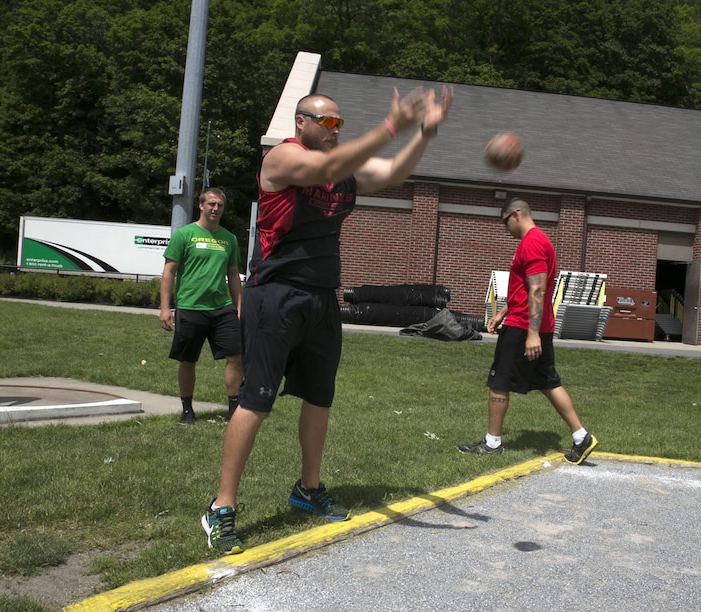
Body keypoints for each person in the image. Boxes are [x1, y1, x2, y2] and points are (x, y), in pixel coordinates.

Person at [201, 86, 453, 554]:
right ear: (301, 123)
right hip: (274, 294)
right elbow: (324, 168)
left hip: (320, 297)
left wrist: (424, 132)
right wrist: (391, 125)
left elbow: (395, 172)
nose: (336, 130)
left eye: (341, 124)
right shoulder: (281, 158)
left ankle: (307, 489)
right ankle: (221, 507)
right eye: (328, 122)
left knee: (319, 397)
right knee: (255, 399)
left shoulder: (344, 168)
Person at [458, 198, 598, 464]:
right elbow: (524, 290)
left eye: (505, 222)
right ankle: (582, 437)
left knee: (499, 382)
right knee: (548, 382)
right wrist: (501, 313)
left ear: (517, 214)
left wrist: (531, 333)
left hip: (525, 327)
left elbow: (537, 289)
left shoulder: (532, 242)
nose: (505, 228)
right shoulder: (536, 241)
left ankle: (492, 443)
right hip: (532, 323)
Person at [159, 188, 243, 425]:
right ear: (201, 206)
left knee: (236, 356)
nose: (215, 209)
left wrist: (239, 305)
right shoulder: (185, 235)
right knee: (188, 360)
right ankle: (187, 409)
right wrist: (165, 308)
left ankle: (234, 409)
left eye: (220, 206)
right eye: (211, 204)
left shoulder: (229, 239)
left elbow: (234, 275)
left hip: (222, 308)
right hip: (190, 306)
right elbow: (169, 272)